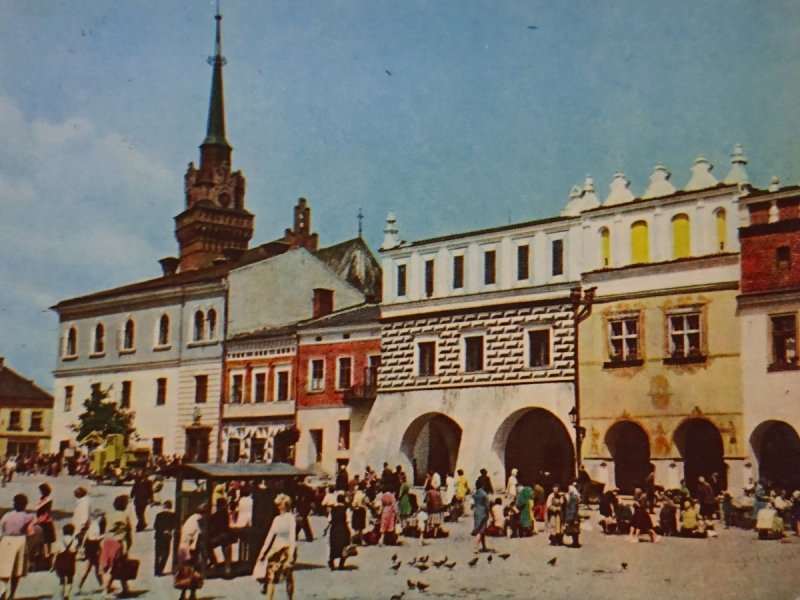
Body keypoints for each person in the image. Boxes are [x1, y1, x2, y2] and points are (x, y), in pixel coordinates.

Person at [253, 494, 296, 600]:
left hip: (286, 549)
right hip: (275, 549)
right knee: (271, 576)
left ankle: (290, 597)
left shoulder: (290, 518)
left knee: (288, 576)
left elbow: (292, 536)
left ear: (286, 505)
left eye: (280, 505)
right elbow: (270, 536)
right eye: (277, 505)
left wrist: (291, 553)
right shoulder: (276, 519)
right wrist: (263, 552)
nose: (278, 507)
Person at [0, 493, 34, 600]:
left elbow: (1, 530)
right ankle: (12, 595)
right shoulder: (28, 517)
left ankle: (2, 592)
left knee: (4, 570)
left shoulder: (7, 515)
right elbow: (30, 533)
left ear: (14, 503)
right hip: (20, 540)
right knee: (17, 570)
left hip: (7, 541)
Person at [99, 495, 134, 597]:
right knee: (114, 568)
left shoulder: (109, 515)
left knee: (114, 566)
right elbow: (128, 532)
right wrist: (129, 545)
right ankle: (105, 591)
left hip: (107, 542)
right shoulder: (124, 516)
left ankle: (125, 589)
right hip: (118, 543)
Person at [78, 508, 106, 594]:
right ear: (97, 516)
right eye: (101, 516)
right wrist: (103, 536)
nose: (102, 518)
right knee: (94, 569)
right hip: (93, 549)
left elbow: (87, 535)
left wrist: (82, 546)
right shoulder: (96, 526)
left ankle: (103, 586)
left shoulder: (92, 524)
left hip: (89, 548)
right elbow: (94, 538)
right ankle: (104, 587)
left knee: (93, 569)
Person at [208, 497, 235, 575]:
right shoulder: (224, 514)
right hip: (223, 537)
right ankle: (227, 566)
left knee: (224, 543)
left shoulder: (215, 516)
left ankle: (215, 563)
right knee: (227, 544)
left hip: (220, 537)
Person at [54, 523, 78, 600]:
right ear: (72, 531)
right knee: (70, 579)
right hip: (70, 562)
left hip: (60, 562)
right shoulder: (75, 541)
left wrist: (53, 565)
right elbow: (75, 551)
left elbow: (56, 553)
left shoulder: (60, 541)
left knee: (61, 579)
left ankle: (62, 592)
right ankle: (66, 594)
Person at [328, 494, 352, 570]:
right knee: (344, 546)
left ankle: (331, 561)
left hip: (334, 528)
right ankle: (341, 564)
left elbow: (329, 520)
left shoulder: (332, 509)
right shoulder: (346, 509)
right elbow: (348, 520)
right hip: (343, 528)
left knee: (334, 546)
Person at [153, 500, 176, 576]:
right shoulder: (173, 515)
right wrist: (167, 530)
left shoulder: (158, 515)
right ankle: (161, 569)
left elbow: (155, 526)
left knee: (157, 554)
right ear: (170, 507)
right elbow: (174, 525)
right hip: (167, 536)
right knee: (165, 553)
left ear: (164, 506)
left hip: (158, 536)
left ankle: (156, 571)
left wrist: (162, 530)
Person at [35, 482, 56, 558]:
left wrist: (40, 519)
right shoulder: (42, 498)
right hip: (42, 519)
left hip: (45, 520)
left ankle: (49, 552)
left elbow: (46, 511)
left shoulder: (48, 499)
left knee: (48, 538)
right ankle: (43, 552)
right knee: (43, 538)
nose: (40, 492)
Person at [471, 485, 490, 552]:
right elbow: (487, 505)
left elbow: (472, 503)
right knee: (481, 530)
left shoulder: (475, 493)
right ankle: (475, 547)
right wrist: (488, 514)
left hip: (476, 512)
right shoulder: (484, 494)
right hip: (483, 512)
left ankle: (484, 546)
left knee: (482, 530)